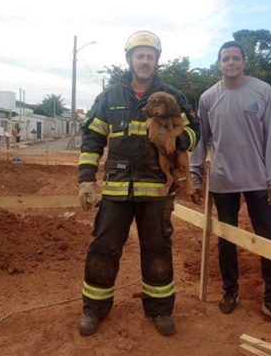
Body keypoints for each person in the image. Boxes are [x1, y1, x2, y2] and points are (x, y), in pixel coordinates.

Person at [77, 31, 200, 336]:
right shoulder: (110, 96)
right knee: (103, 249)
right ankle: (94, 308)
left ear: (157, 60)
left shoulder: (171, 96)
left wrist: (177, 139)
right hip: (117, 190)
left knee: (157, 250)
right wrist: (85, 181)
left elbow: (195, 130)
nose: (145, 61)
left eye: (150, 56)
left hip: (156, 191)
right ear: (129, 59)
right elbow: (92, 138)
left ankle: (160, 310)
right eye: (139, 55)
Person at [190, 41, 271, 329]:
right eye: (225, 58)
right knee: (226, 239)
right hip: (223, 182)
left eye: (236, 58)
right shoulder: (208, 97)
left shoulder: (262, 91)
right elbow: (201, 140)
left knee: (270, 239)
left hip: (260, 181)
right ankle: (230, 291)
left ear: (244, 61)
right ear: (218, 63)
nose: (231, 63)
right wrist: (195, 174)